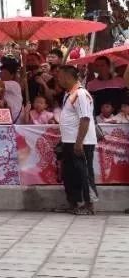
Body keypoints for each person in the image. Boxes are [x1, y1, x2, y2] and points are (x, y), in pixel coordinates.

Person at [53, 64, 97, 215]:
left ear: (67, 77)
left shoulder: (81, 94)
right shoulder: (68, 94)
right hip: (69, 141)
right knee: (70, 173)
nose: (58, 80)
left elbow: (85, 119)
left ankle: (88, 204)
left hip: (81, 142)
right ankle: (74, 203)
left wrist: (79, 143)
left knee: (83, 173)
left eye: (60, 77)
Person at [0, 57, 24, 122]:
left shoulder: (14, 84)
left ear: (12, 75)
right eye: (1, 72)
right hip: (7, 117)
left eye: (4, 73)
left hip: (17, 119)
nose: (1, 75)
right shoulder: (2, 87)